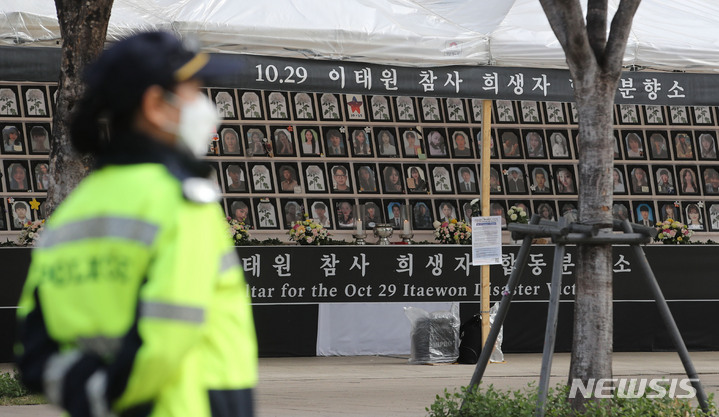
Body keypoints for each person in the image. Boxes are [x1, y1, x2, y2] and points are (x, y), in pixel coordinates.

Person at [15, 32, 257, 417]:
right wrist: (112, 394)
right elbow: (165, 340)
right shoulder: (182, 203)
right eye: (196, 92)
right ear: (156, 105)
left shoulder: (73, 212)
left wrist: (91, 396)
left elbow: (33, 353)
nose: (208, 108)